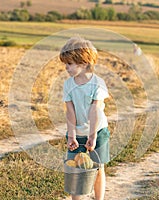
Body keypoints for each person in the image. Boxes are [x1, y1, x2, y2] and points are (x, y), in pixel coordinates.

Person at [60, 36, 110, 200]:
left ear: (83, 62)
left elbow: (95, 110)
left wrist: (93, 136)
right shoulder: (68, 84)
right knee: (76, 170)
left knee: (98, 168)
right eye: (65, 64)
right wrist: (72, 135)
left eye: (69, 64)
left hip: (98, 131)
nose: (66, 68)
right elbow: (70, 112)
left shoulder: (98, 83)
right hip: (77, 132)